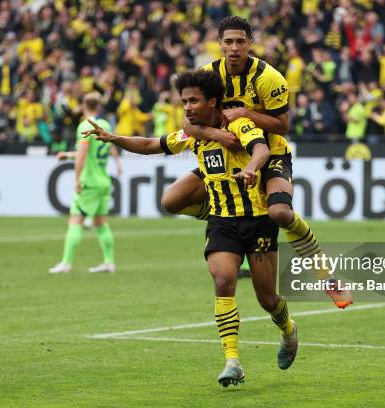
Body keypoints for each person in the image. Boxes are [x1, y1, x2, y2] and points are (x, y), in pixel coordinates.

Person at [83, 70, 298, 387]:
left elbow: (262, 150)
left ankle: (288, 330)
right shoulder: (194, 134)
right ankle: (232, 361)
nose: (186, 107)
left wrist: (252, 168)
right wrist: (115, 139)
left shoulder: (236, 123)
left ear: (213, 101)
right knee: (223, 280)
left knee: (268, 299)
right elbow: (149, 144)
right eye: (184, 101)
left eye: (193, 100)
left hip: (257, 218)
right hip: (223, 222)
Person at [160, 16, 352, 308]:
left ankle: (327, 276)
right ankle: (220, 212)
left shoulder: (269, 78)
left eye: (240, 41)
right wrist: (218, 135)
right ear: (220, 44)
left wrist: (246, 113)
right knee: (172, 200)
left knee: (280, 214)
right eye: (228, 42)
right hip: (227, 156)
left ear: (249, 43)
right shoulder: (207, 74)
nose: (234, 48)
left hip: (270, 153)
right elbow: (189, 124)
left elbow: (283, 125)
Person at [49, 92, 122, 274]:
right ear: (98, 106)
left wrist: (76, 179)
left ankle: (66, 263)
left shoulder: (84, 125)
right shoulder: (104, 124)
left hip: (89, 182)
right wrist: (118, 163)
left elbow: (82, 154)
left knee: (75, 220)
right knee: (100, 222)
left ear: (82, 106)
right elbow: (106, 147)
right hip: (104, 181)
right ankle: (109, 262)